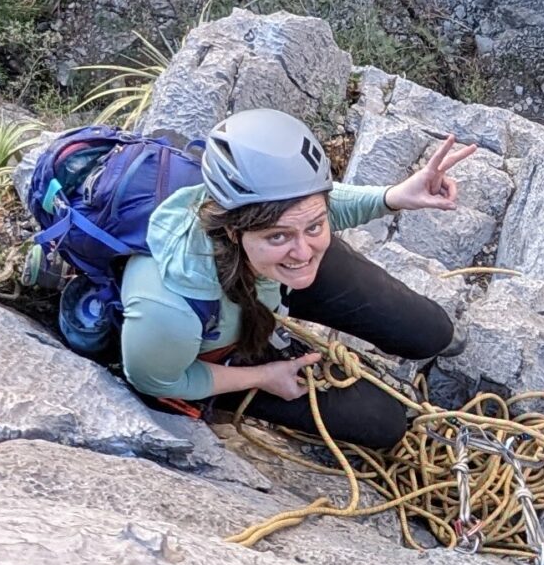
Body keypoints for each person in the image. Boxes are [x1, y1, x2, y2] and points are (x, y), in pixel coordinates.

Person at [118, 108, 476, 449]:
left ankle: (438, 339)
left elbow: (321, 207)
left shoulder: (280, 223)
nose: (304, 253)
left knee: (428, 329)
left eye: (314, 228)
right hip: (212, 342)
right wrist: (263, 377)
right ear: (232, 232)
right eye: (279, 235)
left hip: (266, 278)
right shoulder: (168, 309)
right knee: (383, 422)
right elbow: (156, 379)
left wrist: (393, 197)